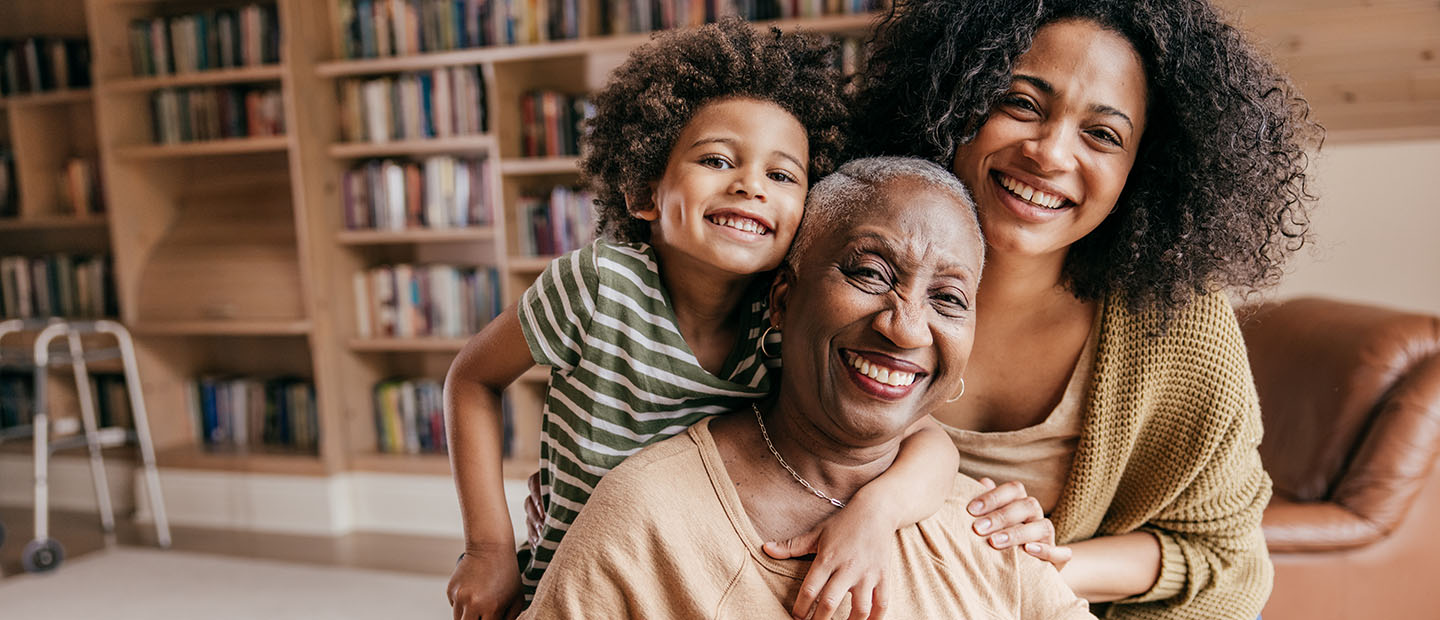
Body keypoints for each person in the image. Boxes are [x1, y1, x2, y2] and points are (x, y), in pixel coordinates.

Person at [444, 19, 961, 620]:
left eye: (782, 175)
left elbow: (928, 439)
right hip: (574, 589)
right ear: (645, 193)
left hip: (705, 589)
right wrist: (487, 547)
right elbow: (472, 379)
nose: (749, 186)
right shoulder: (596, 284)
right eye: (717, 160)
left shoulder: (787, 321)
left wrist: (875, 512)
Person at [839, 0, 1325, 618]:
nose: (1049, 153)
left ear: (1143, 169)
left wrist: (1040, 558)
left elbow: (1221, 555)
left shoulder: (1176, 325)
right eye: (1020, 103)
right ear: (951, 102)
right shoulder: (838, 264)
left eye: (1102, 134)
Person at [523, 156, 1093, 620]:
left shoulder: (990, 527)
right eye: (871, 273)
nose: (906, 326)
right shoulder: (646, 520)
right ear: (782, 301)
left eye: (948, 299)